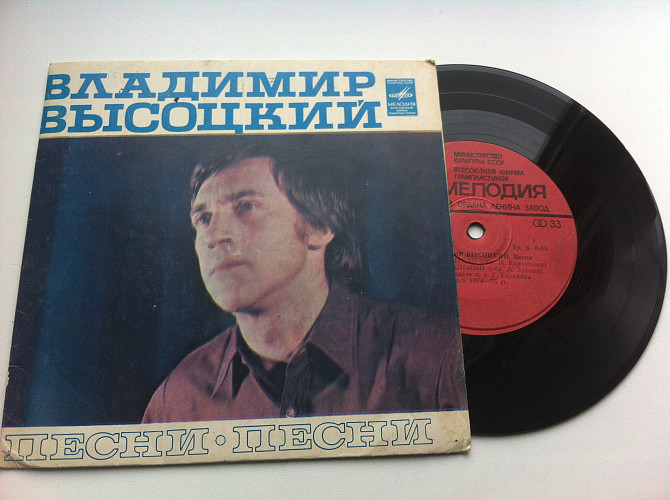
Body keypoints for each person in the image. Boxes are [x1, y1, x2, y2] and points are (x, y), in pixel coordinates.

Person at [142, 140, 466, 422]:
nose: (214, 236)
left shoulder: (439, 357)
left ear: (319, 227)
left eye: (246, 206)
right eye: (203, 218)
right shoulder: (176, 399)